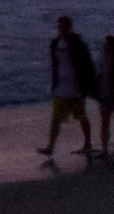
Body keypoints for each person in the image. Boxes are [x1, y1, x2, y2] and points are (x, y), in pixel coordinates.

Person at [42, 16, 98, 157]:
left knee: (81, 117)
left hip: (76, 87)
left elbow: (88, 65)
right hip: (60, 87)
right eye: (59, 27)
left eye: (64, 27)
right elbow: (54, 65)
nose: (61, 30)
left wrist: (88, 85)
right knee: (56, 119)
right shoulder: (54, 44)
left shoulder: (78, 44)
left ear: (69, 27)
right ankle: (50, 147)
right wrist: (54, 84)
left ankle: (87, 143)